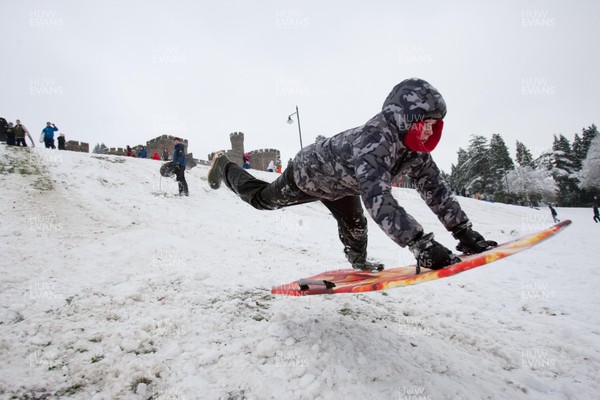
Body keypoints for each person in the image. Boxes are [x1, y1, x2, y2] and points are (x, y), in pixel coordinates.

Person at [207, 78, 497, 272]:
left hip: (343, 186)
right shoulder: (376, 140)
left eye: (435, 124)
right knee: (261, 200)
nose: (431, 131)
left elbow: (434, 187)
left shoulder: (414, 147)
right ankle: (224, 166)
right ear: (403, 119)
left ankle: (358, 264)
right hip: (309, 173)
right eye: (426, 123)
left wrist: (462, 231)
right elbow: (379, 199)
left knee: (355, 225)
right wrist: (421, 245)